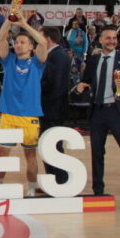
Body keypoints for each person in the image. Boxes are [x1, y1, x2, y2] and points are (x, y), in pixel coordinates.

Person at [0, 9, 48, 197]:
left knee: (30, 156)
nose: (18, 44)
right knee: (1, 154)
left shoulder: (37, 63)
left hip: (29, 115)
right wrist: (10, 19)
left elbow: (43, 42)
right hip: (8, 114)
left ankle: (32, 190)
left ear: (31, 47)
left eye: (22, 42)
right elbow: (1, 39)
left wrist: (24, 24)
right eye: (17, 42)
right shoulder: (9, 60)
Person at [77, 26, 120, 196]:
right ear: (100, 40)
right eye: (108, 38)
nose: (112, 41)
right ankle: (98, 192)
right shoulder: (93, 60)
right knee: (96, 154)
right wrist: (80, 86)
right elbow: (85, 81)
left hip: (118, 111)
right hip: (98, 112)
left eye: (114, 38)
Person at [39, 26, 71, 185]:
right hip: (52, 108)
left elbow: (55, 85)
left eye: (39, 36)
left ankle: (61, 181)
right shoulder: (57, 55)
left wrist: (35, 90)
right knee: (48, 146)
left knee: (53, 147)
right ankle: (53, 182)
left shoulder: (57, 56)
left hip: (52, 109)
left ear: (47, 38)